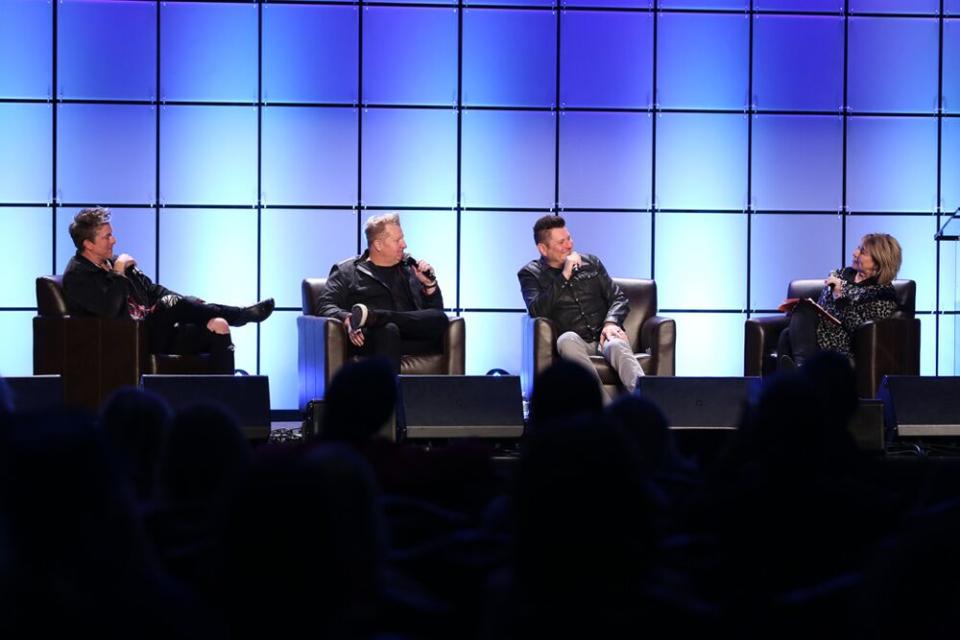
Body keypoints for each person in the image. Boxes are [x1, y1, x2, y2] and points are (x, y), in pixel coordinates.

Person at [62, 207, 274, 374]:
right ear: (88, 244)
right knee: (168, 304)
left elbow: (153, 291)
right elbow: (109, 309)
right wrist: (118, 272)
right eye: (107, 236)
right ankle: (241, 315)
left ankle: (224, 409)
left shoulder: (115, 262)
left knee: (217, 325)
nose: (114, 240)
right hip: (129, 343)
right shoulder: (78, 275)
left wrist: (189, 304)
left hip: (158, 332)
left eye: (112, 234)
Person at [518, 215, 644, 401]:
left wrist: (610, 322)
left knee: (617, 344)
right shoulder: (531, 274)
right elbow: (537, 310)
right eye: (562, 242)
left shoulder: (591, 263)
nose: (569, 245)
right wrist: (565, 275)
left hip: (604, 338)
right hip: (574, 342)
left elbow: (618, 298)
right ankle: (605, 413)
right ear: (543, 249)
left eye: (569, 238)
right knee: (567, 339)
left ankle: (650, 406)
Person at [316, 212, 448, 373]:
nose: (404, 244)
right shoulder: (347, 271)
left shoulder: (409, 268)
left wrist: (429, 284)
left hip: (411, 336)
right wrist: (347, 318)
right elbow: (324, 305)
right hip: (373, 338)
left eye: (403, 238)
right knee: (389, 329)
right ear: (378, 245)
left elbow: (433, 314)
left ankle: (374, 316)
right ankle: (389, 397)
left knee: (440, 318)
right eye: (397, 240)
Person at [778, 233, 903, 367]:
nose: (855, 254)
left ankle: (801, 371)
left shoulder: (882, 295)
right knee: (789, 330)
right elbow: (821, 308)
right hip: (819, 332)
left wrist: (840, 298)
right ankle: (798, 374)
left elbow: (861, 331)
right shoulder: (839, 275)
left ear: (878, 263)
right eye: (858, 248)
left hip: (844, 344)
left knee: (791, 334)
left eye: (863, 252)